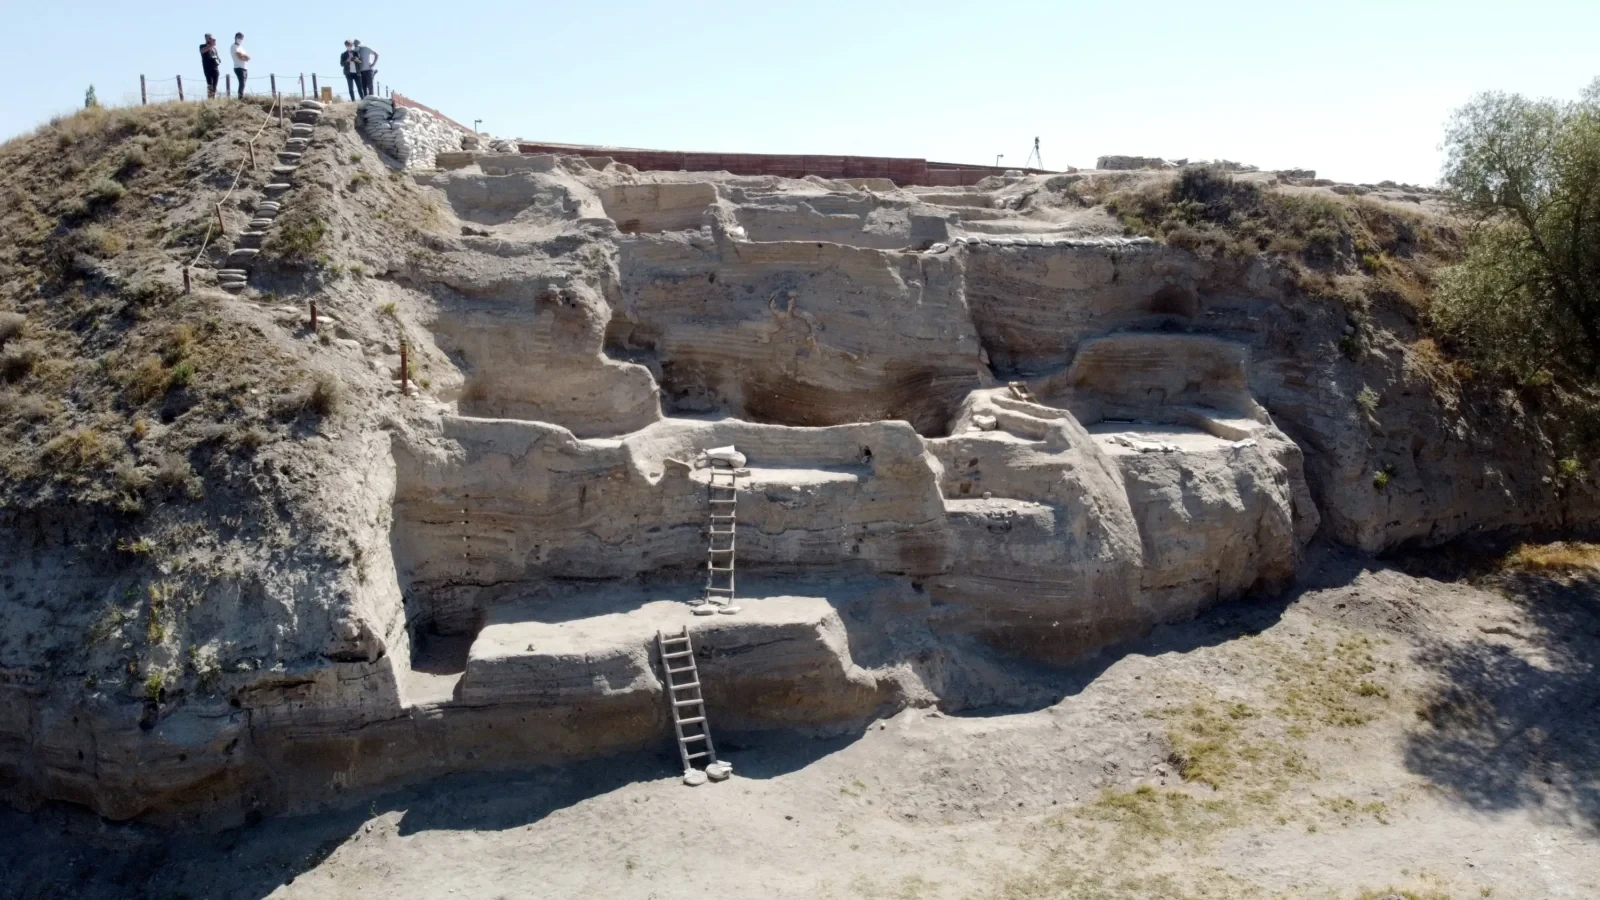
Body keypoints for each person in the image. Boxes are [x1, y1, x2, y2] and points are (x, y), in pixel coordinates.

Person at [200, 34, 221, 99]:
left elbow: (218, 58)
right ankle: (209, 99)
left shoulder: (214, 49)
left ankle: (213, 99)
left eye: (211, 38)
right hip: (207, 68)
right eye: (209, 38)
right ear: (206, 38)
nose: (210, 39)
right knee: (210, 85)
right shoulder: (202, 46)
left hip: (215, 68)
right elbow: (203, 51)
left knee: (215, 85)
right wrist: (211, 45)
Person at [230, 32, 250, 99]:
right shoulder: (234, 46)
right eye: (239, 37)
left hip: (244, 67)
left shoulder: (241, 47)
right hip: (238, 67)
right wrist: (244, 57)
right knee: (242, 83)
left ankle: (242, 96)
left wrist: (245, 56)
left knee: (243, 83)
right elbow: (240, 56)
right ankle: (240, 98)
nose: (240, 39)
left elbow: (247, 57)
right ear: (235, 38)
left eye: (242, 38)